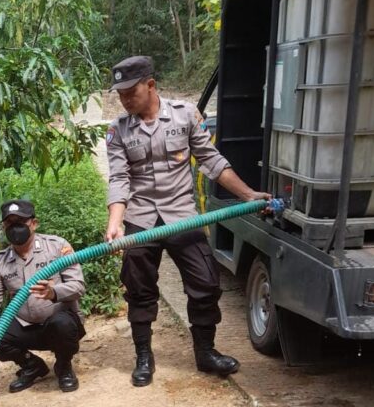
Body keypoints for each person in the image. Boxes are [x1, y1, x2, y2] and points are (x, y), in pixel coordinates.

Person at [104, 56, 270, 387]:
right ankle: (144, 357)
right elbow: (119, 179)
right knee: (139, 289)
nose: (124, 99)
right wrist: (115, 223)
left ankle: (205, 353)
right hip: (141, 219)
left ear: (150, 85)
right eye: (119, 94)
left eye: (130, 92)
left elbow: (212, 162)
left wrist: (248, 194)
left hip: (181, 215)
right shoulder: (118, 131)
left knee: (206, 284)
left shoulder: (186, 115)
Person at [0, 200, 86, 393]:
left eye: (20, 221)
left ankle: (63, 366)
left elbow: (78, 286)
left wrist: (54, 292)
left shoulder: (57, 247)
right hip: (26, 326)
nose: (15, 228)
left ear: (34, 223)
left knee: (61, 323)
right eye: (10, 223)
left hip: (58, 323)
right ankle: (31, 365)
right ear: (4, 227)